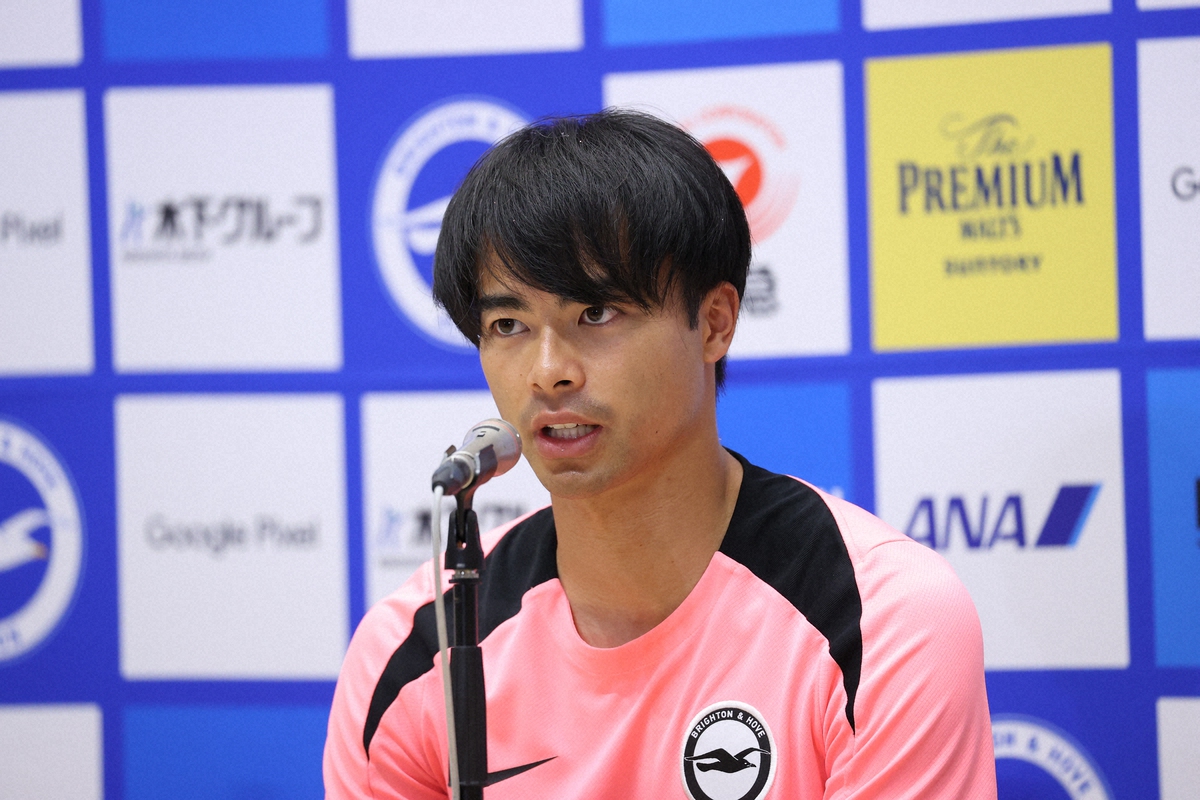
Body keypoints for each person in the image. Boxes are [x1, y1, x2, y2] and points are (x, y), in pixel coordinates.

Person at [324, 109, 997, 799]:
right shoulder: (416, 654)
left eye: (595, 314)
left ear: (714, 323)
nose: (548, 373)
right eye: (508, 324)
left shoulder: (879, 620)